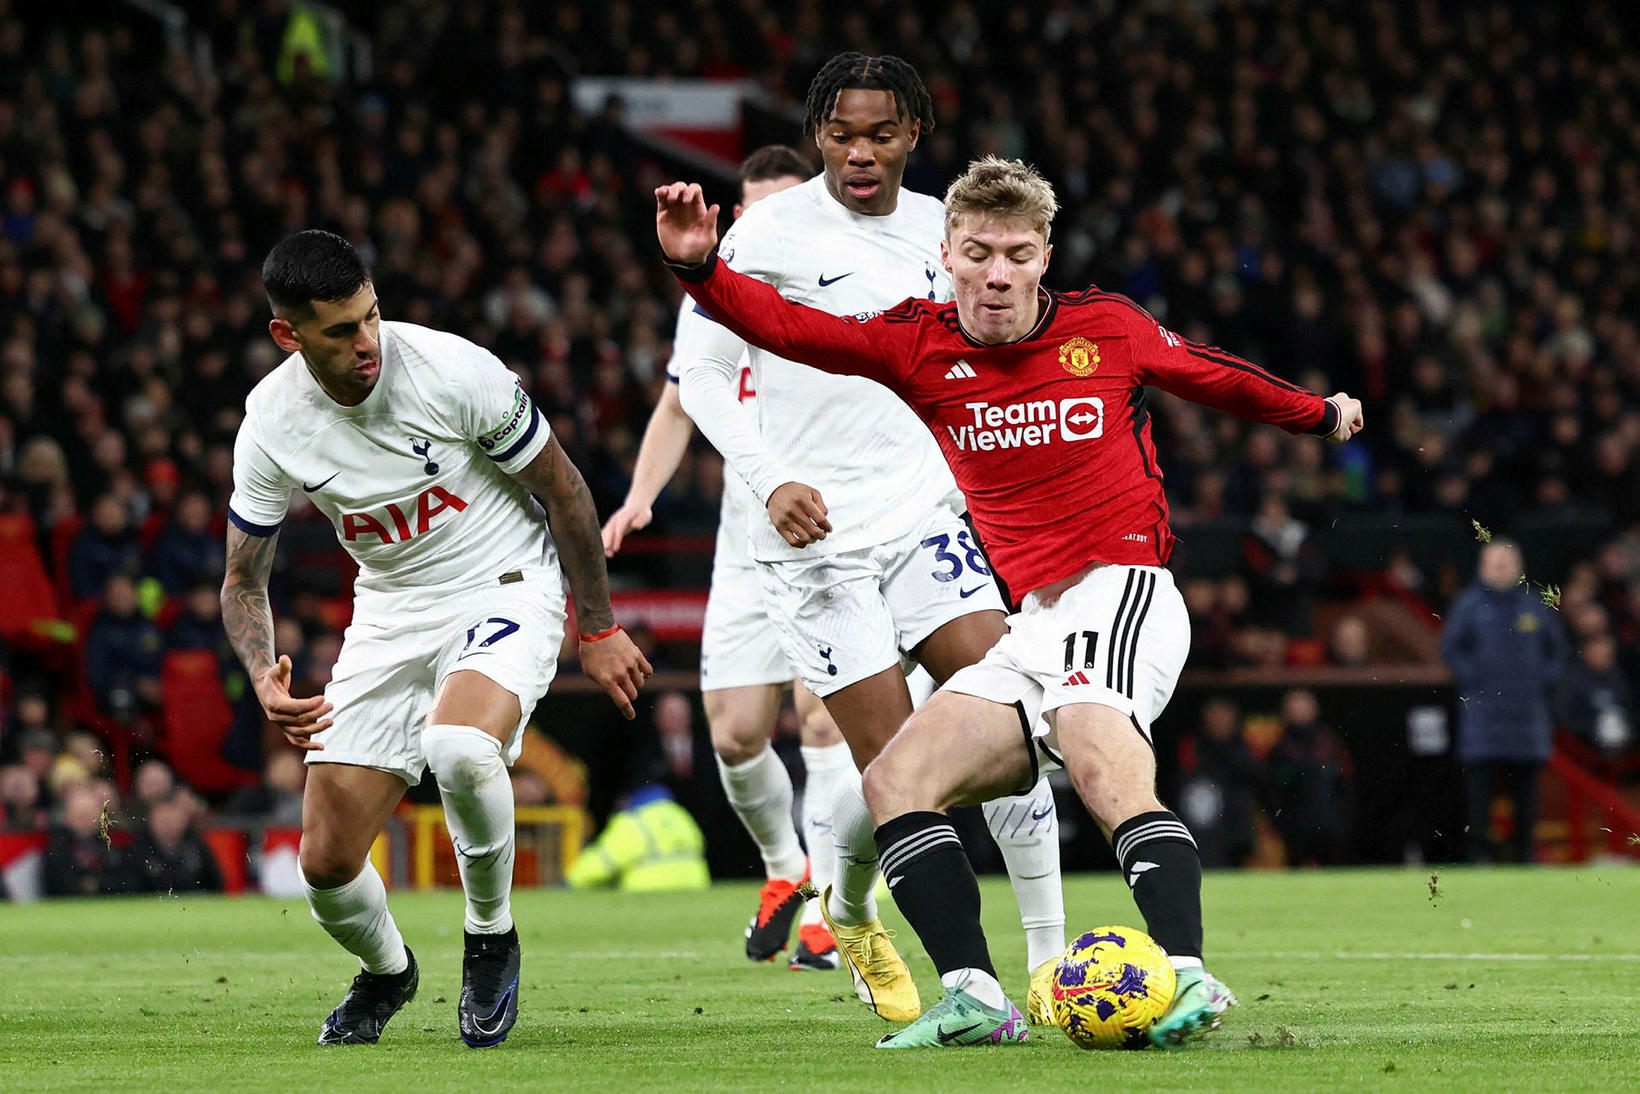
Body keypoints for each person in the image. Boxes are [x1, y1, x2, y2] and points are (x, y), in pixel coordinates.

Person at [656, 155, 1364, 1048]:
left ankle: (1187, 975)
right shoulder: (916, 343)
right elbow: (794, 330)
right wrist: (699, 269)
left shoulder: (1105, 327)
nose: (997, 274)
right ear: (946, 252)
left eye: (1018, 254)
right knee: (897, 782)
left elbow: (1216, 376)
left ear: (1044, 257)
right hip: (1031, 624)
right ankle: (975, 997)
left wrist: (1320, 415)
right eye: (979, 251)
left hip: (1124, 590)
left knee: (1101, 759)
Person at [668, 55, 1065, 1026]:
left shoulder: (944, 235)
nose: (858, 151)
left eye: (878, 133)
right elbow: (705, 377)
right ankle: (926, 955)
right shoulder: (764, 233)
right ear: (815, 136)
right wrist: (771, 482)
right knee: (894, 766)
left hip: (924, 519)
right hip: (814, 544)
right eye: (840, 133)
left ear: (914, 135)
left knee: (1012, 728)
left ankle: (1048, 962)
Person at [222, 230, 651, 1048]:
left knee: (458, 746)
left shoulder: (454, 372)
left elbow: (564, 490)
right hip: (387, 611)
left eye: (371, 316)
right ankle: (388, 972)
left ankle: (489, 937)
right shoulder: (271, 423)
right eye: (342, 330)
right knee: (324, 864)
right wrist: (261, 676)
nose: (367, 342)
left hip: (503, 581)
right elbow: (243, 579)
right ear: (289, 335)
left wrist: (595, 626)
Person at [602, 145, 849, 972]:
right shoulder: (714, 292)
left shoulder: (849, 284)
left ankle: (839, 908)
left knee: (825, 721)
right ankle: (787, 872)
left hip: (835, 541)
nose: (770, 222)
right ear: (739, 215)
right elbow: (678, 403)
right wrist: (641, 496)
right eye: (757, 209)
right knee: (738, 736)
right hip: (745, 551)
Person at [1440, 540, 1567, 863]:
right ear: (1483, 567)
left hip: (1527, 718)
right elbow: (1451, 650)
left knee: (1526, 794)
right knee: (1479, 794)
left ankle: (1524, 855)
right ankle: (1478, 856)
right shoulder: (1468, 605)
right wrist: (1476, 681)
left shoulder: (1533, 605)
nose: (1501, 569)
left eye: (1507, 563)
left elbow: (1557, 652)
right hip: (1484, 717)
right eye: (1495, 563)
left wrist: (1539, 680)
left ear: (1518, 567)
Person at [564, 784, 711, 892]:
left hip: (650, 891)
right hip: (695, 887)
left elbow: (603, 861)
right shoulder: (681, 816)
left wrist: (570, 881)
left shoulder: (635, 820)